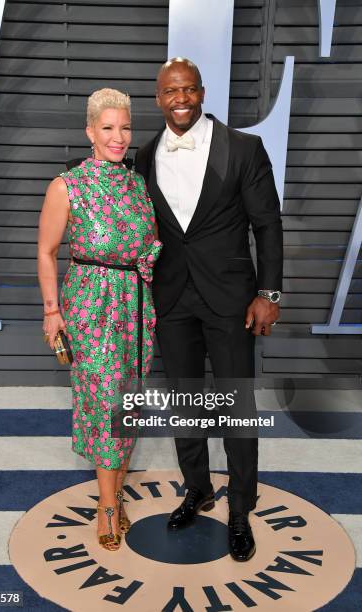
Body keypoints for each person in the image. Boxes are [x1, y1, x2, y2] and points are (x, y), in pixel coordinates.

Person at [135, 58, 283, 562]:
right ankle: (196, 488)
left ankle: (241, 509)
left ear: (201, 92)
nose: (181, 99)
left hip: (230, 299)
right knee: (185, 401)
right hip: (172, 297)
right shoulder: (146, 154)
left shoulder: (243, 148)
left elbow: (268, 225)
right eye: (171, 91)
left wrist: (270, 293)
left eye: (189, 90)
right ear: (159, 98)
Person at [38, 88, 162, 552]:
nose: (118, 137)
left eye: (125, 127)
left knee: (127, 403)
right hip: (90, 305)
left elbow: (149, 245)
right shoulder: (67, 186)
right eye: (108, 127)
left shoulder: (136, 186)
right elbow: (47, 253)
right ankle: (108, 505)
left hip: (135, 304)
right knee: (105, 400)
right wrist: (53, 312)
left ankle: (113, 491)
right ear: (90, 131)